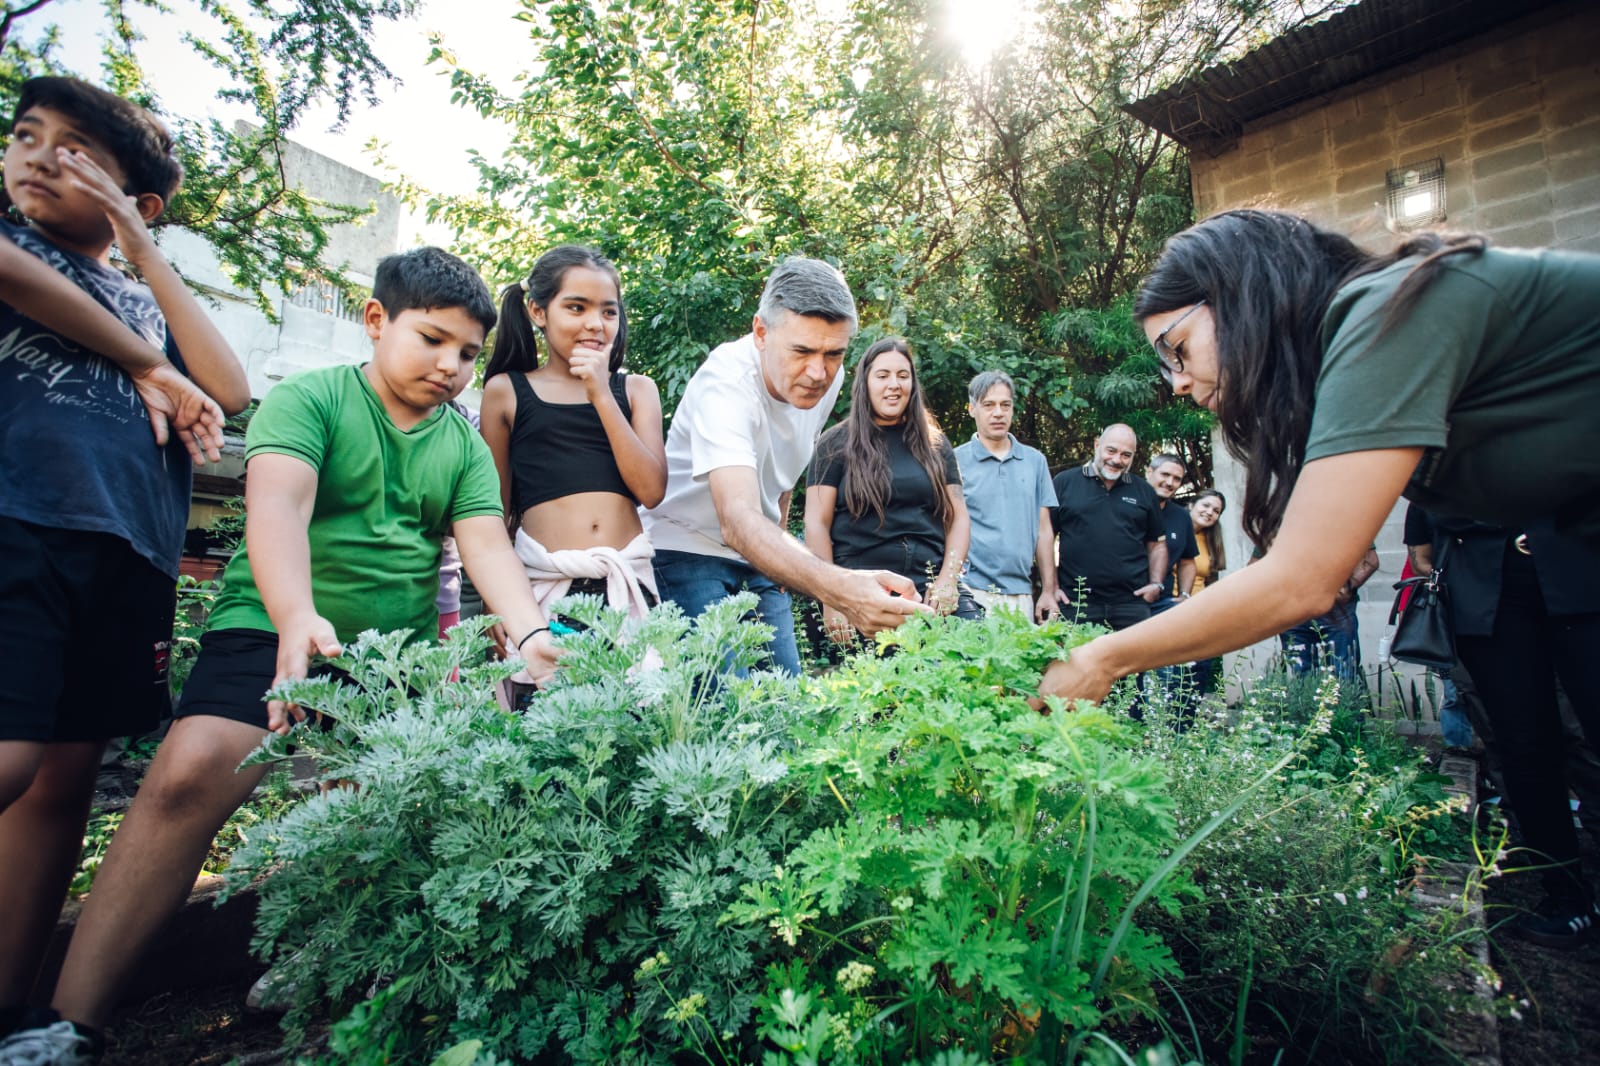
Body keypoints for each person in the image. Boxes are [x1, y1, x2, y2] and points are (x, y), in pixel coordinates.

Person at [4, 248, 562, 1062]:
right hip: (270, 626)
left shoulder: (465, 447)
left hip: (387, 662)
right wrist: (296, 615)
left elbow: (488, 553)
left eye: (469, 354)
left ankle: (357, 991)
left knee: (397, 818)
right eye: (433, 340)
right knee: (190, 771)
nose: (451, 366)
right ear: (377, 321)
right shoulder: (312, 398)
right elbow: (277, 511)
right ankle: (68, 1024)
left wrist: (534, 635)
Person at [1037, 208, 1600, 942]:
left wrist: (1100, 658)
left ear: (1240, 297)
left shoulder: (1389, 312)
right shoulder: (1358, 343)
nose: (1176, 383)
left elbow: (1301, 579)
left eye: (1177, 349)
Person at [0, 76, 250, 1051]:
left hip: (129, 553)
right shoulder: (20, 249)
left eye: (75, 151)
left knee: (67, 775)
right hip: (24, 525)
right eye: (27, 135)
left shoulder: (143, 302)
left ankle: (15, 1005)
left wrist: (142, 255)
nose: (35, 155)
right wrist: (146, 369)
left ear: (138, 204)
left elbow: (224, 385)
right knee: (13, 757)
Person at [644, 258, 924, 674]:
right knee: (721, 713)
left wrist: (779, 553)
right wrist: (839, 588)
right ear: (761, 332)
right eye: (802, 351)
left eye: (834, 353)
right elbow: (736, 519)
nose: (818, 372)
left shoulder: (827, 378)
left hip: (758, 556)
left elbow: (784, 473)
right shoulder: (725, 385)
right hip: (686, 550)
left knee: (784, 709)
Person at [1404, 506, 1599, 946]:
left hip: (1582, 562)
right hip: (1486, 589)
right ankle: (1566, 897)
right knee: (1523, 746)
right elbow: (1423, 545)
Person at [479, 246, 666, 629]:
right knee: (547, 689)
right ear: (537, 311)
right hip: (544, 586)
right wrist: (494, 599)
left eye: (608, 311)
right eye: (577, 308)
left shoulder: (637, 391)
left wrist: (600, 393)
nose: (596, 323)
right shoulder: (506, 392)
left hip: (624, 584)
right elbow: (492, 512)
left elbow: (651, 491)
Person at [805, 338, 979, 643]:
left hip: (930, 586)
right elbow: (815, 523)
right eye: (882, 375)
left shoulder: (936, 445)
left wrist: (948, 580)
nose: (894, 384)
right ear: (865, 383)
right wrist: (832, 600)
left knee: (982, 654)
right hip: (863, 589)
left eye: (903, 375)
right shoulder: (834, 444)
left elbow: (958, 518)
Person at [952, 370, 1058, 621]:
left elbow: (1044, 531)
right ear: (971, 409)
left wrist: (1049, 591)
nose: (998, 412)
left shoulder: (1034, 461)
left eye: (1005, 405)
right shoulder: (954, 461)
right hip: (970, 593)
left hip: (1021, 595)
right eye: (988, 405)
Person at [1049, 424, 1168, 631]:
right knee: (1077, 663)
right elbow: (1045, 537)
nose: (1116, 460)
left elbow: (1157, 544)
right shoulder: (1064, 482)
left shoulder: (1144, 491)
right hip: (1075, 603)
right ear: (1097, 445)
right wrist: (1051, 588)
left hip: (1131, 605)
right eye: (1111, 450)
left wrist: (1156, 584)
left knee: (1136, 664)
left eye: (1125, 455)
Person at [1276, 544, 1379, 687]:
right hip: (1295, 610)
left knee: (1339, 679)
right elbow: (1256, 565)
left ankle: (1337, 707)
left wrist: (1347, 587)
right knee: (1314, 680)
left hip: (1332, 608)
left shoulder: (1339, 521)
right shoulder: (1277, 524)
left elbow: (1370, 561)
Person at [1145, 453, 1199, 615]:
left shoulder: (1182, 516)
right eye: (1165, 474)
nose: (1170, 483)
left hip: (1161, 602)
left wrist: (1184, 595)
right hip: (1120, 600)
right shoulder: (1126, 505)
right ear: (1149, 472)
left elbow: (1187, 561)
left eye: (1177, 479)